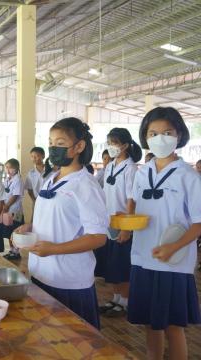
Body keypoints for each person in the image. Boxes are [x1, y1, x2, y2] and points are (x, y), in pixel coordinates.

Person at [13, 117, 108, 329]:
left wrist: (55, 249)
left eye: (61, 143)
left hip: (68, 280)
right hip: (41, 273)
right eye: (51, 143)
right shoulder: (52, 178)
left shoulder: (86, 185)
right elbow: (53, 217)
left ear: (79, 146)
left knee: (74, 343)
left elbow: (98, 237)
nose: (53, 148)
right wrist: (30, 227)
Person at [129, 107, 201, 359]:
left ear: (179, 135)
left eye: (167, 132)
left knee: (173, 327)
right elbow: (135, 206)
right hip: (142, 257)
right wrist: (125, 227)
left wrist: (174, 246)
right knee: (150, 323)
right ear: (145, 137)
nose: (160, 138)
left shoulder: (189, 177)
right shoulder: (142, 172)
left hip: (172, 262)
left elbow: (199, 222)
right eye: (153, 133)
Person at [97, 128, 141, 318]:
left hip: (122, 223)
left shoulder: (131, 168)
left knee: (122, 265)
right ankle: (115, 298)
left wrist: (127, 228)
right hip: (109, 222)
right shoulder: (110, 165)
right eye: (109, 142)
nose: (111, 146)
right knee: (112, 265)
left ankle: (125, 301)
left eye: (114, 142)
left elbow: (132, 200)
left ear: (125, 145)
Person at [0, 159, 24, 260]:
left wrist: (7, 205)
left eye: (10, 167)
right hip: (8, 210)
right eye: (7, 167)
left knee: (15, 231)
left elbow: (15, 195)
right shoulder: (7, 179)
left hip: (15, 210)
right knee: (9, 232)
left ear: (16, 168)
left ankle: (16, 252)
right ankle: (11, 251)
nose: (8, 170)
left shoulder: (18, 179)